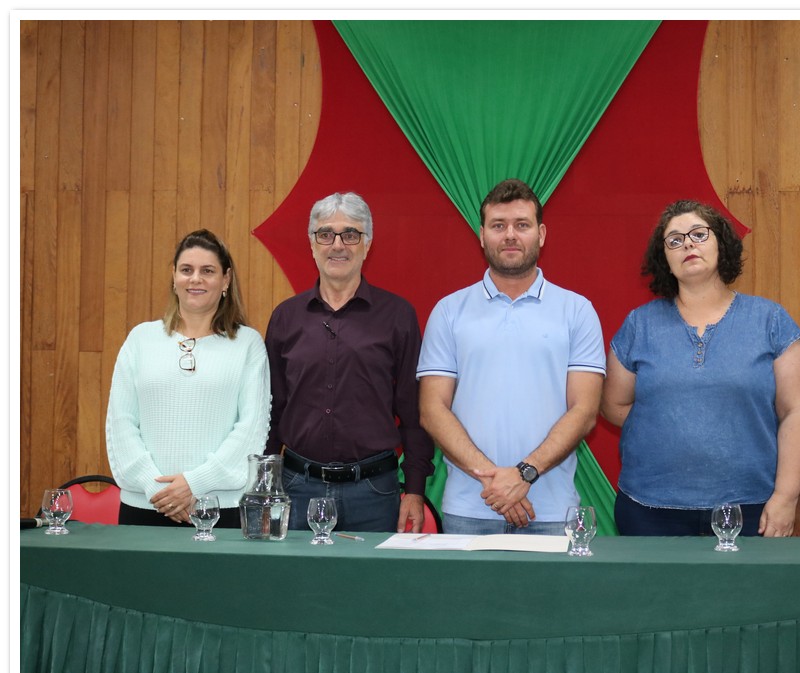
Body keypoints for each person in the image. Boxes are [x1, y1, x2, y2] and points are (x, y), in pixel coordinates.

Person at [600, 200, 800, 537]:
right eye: (674, 240)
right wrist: (671, 422)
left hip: (752, 508)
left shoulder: (770, 320)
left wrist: (787, 497)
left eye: (699, 234)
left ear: (721, 244)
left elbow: (797, 411)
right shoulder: (640, 325)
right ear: (664, 259)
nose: (688, 244)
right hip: (649, 510)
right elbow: (613, 405)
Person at [417, 178, 605, 535]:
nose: (510, 235)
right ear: (482, 235)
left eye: (522, 225)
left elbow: (584, 412)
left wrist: (523, 474)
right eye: (498, 226)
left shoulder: (577, 311)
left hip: (552, 513)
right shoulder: (449, 311)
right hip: (470, 509)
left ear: (541, 234)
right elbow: (432, 410)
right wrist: (497, 482)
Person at [265, 192, 434, 533]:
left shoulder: (398, 316)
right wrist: (266, 486)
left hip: (374, 492)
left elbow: (414, 411)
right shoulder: (285, 318)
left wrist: (415, 489)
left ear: (367, 244)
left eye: (351, 234)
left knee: (373, 573)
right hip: (297, 488)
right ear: (312, 244)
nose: (337, 245)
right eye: (326, 234)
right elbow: (271, 409)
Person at [106, 229, 270, 527]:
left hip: (220, 509)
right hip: (146, 505)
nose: (196, 279)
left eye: (207, 271)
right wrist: (158, 490)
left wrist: (195, 484)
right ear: (174, 276)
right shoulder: (140, 339)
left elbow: (251, 429)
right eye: (186, 270)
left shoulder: (248, 344)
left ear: (226, 279)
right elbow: (121, 423)